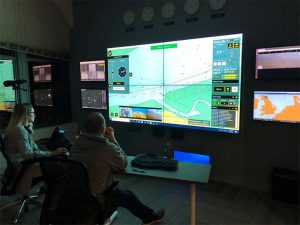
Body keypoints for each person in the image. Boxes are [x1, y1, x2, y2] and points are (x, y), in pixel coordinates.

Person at [70, 112, 165, 225]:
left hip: (73, 200)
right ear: (102, 129)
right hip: (96, 201)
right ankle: (149, 217)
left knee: (120, 193)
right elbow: (123, 162)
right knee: (127, 196)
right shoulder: (107, 148)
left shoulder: (75, 145)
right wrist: (113, 139)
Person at [3, 103, 67, 194]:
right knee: (61, 165)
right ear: (26, 115)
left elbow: (33, 149)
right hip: (25, 168)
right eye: (33, 112)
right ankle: (51, 197)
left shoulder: (17, 130)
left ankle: (46, 189)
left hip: (20, 167)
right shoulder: (20, 131)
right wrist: (51, 153)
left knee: (55, 160)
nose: (35, 115)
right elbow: (28, 155)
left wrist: (50, 153)